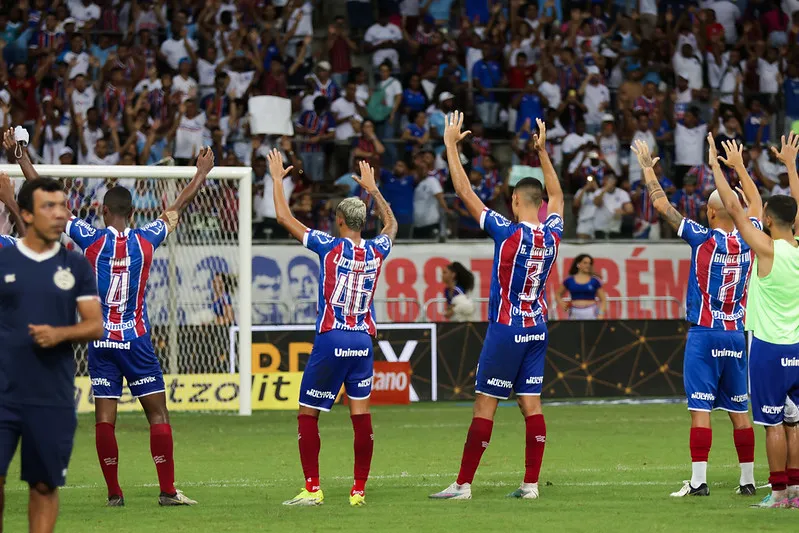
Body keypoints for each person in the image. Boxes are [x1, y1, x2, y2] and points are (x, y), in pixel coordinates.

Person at [7, 129, 214, 506]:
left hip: (100, 340)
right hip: (135, 339)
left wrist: (22, 157)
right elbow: (176, 209)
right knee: (157, 414)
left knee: (105, 418)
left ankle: (114, 494)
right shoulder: (147, 237)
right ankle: (167, 491)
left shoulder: (91, 238)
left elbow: (48, 201)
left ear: (103, 211)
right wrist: (200, 174)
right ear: (132, 213)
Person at [430, 113, 563, 500]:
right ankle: (531, 484)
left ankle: (463, 484)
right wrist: (542, 153)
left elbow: (464, 192)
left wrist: (452, 146)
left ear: (516, 200)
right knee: (531, 405)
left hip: (507, 328)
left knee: (485, 405)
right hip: (537, 327)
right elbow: (557, 195)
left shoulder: (506, 233)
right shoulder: (553, 233)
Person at [631, 136, 760, 498]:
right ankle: (747, 480)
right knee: (740, 411)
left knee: (700, 409)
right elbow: (758, 206)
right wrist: (737, 168)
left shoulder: (701, 238)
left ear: (709, 213)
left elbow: (662, 206)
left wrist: (647, 169)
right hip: (737, 334)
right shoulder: (752, 238)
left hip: (705, 333)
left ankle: (700, 481)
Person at [268, 149, 397, 508]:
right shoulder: (376, 251)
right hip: (362, 341)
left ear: (340, 220)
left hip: (333, 336)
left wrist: (278, 179)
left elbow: (283, 216)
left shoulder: (328, 247)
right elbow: (392, 227)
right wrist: (374, 190)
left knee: (308, 412)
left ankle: (312, 488)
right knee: (360, 416)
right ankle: (358, 490)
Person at [0, 178, 103, 533]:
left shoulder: (76, 265)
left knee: (44, 486)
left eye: (63, 206)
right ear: (25, 214)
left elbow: (95, 326)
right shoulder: (3, 261)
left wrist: (59, 333)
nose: (60, 214)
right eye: (49, 207)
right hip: (2, 394)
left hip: (51, 397)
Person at [713, 132, 799, 508]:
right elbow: (794, 204)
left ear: (765, 219)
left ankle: (778, 491)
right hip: (798, 346)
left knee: (773, 423)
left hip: (768, 347)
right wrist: (791, 166)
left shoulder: (764, 248)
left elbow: (733, 207)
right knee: (796, 423)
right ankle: (796, 490)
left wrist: (722, 166)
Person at [556, 255, 607, 319]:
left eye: (589, 263)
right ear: (578, 264)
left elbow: (603, 299)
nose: (588, 265)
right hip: (574, 312)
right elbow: (558, 294)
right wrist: (562, 303)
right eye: (585, 263)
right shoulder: (569, 280)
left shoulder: (595, 281)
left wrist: (601, 314)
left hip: (591, 311)